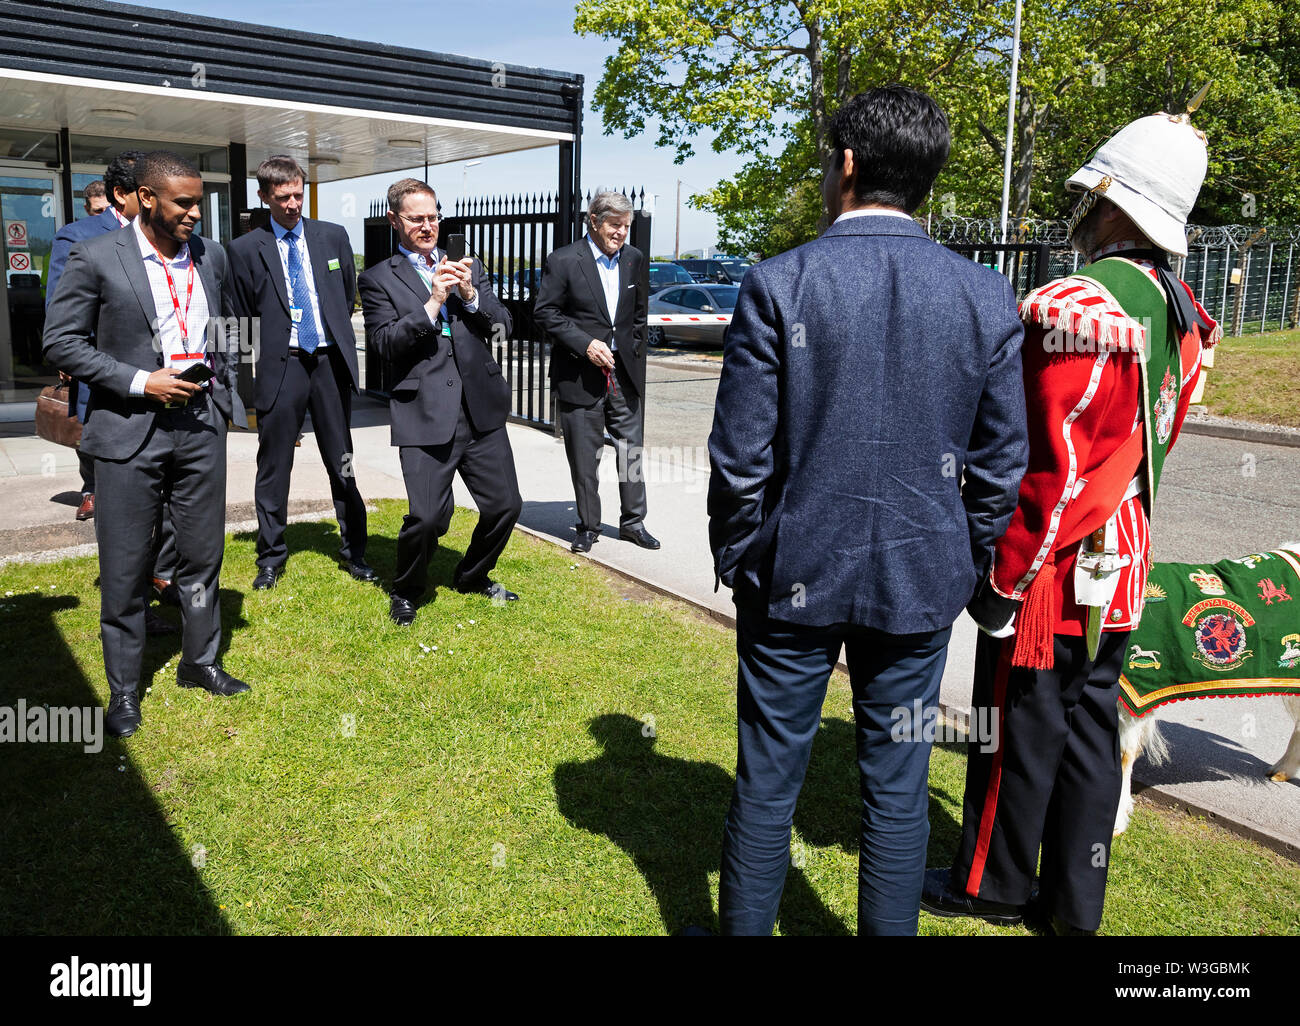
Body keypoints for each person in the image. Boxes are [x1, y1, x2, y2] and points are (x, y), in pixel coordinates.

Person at [706, 85, 1028, 936]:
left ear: (846, 164)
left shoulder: (781, 283)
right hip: (919, 585)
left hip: (793, 577)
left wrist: (740, 557)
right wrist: (968, 553)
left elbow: (740, 458)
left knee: (769, 781)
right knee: (899, 785)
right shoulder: (983, 294)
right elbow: (1003, 465)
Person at [921, 103, 1220, 935]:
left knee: (1016, 730)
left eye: (1093, 198)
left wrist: (1007, 576)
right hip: (1123, 558)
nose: (1081, 213)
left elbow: (1055, 471)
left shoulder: (1083, 304)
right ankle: (1071, 904)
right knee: (1089, 732)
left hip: (1059, 564)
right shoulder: (1180, 306)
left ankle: (993, 884)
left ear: (1117, 206)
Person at [42, 150, 252, 739]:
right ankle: (125, 691)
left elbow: (225, 326)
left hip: (200, 426)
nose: (194, 212)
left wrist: (224, 387)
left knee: (203, 555)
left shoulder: (211, 255)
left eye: (198, 201)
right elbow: (61, 343)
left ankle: (200, 662)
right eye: (183, 202)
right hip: (129, 429)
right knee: (126, 566)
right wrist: (140, 382)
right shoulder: (94, 256)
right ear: (145, 198)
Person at [358, 178, 520, 626]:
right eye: (416, 219)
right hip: (425, 408)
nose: (427, 226)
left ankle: (472, 575)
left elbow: (503, 324)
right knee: (428, 518)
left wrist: (469, 295)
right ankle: (407, 588)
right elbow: (384, 344)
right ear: (395, 221)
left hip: (480, 406)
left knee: (505, 506)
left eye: (433, 217)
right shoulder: (376, 278)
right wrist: (433, 303)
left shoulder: (470, 266)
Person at [226, 155, 373, 591]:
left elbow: (345, 295)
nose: (292, 204)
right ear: (264, 197)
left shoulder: (332, 236)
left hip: (327, 364)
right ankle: (270, 557)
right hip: (282, 366)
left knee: (341, 462)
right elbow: (241, 313)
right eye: (282, 197)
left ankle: (355, 553)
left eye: (297, 194)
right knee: (274, 466)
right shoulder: (244, 249)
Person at [534, 190, 658, 554]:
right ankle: (588, 525)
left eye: (626, 226)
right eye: (615, 225)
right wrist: (585, 344)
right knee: (585, 457)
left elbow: (638, 317)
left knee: (630, 451)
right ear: (594, 222)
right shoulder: (563, 260)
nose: (621, 233)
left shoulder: (634, 259)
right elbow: (545, 313)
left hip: (624, 376)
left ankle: (634, 522)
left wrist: (632, 352)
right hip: (578, 375)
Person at [48, 151, 145, 523]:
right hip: (103, 369)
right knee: (100, 447)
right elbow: (62, 310)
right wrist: (72, 360)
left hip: (156, 373)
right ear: (123, 194)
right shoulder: (77, 238)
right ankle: (93, 491)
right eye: (147, 190)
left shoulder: (167, 237)